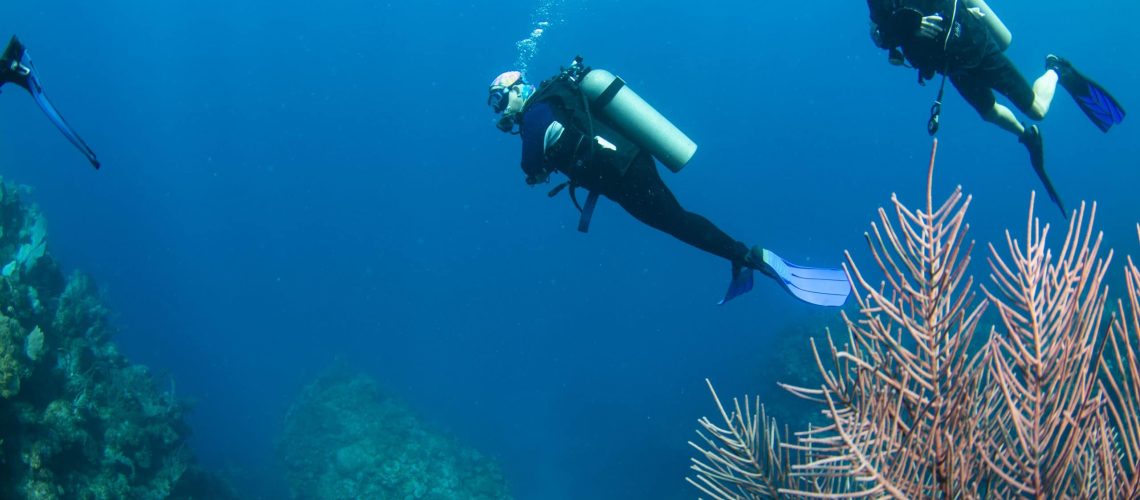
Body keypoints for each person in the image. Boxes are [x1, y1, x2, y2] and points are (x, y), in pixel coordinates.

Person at [487, 57, 851, 307]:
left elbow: (530, 165)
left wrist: (536, 167)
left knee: (677, 222)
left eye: (499, 100)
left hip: (621, 172)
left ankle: (747, 256)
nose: (499, 110)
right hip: (630, 161)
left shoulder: (535, 115)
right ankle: (739, 255)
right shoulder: (554, 101)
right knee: (676, 219)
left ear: (519, 90)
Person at [866, 0, 1124, 216]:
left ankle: (1056, 69)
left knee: (1037, 109)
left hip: (973, 43)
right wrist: (905, 31)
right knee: (989, 113)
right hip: (951, 65)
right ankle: (1027, 135)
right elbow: (878, 32)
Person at [1, 35, 100, 169]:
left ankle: (89, 155)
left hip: (18, 64)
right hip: (16, 62)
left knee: (47, 107)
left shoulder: (10, 66)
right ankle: (89, 155)